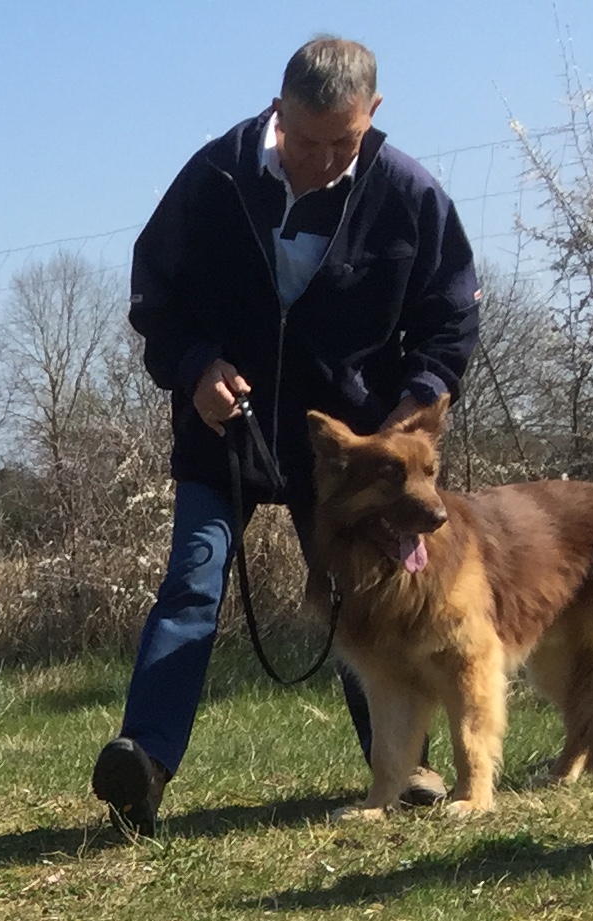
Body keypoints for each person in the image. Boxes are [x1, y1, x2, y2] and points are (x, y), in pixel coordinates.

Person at [92, 35, 479, 838]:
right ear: (278, 108)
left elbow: (450, 322)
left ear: (374, 115)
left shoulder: (410, 195)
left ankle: (405, 766)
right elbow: (153, 300)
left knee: (366, 596)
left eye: (343, 141)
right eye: (305, 139)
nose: (321, 157)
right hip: (220, 438)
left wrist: (410, 408)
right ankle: (144, 762)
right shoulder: (215, 177)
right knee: (192, 589)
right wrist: (195, 366)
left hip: (346, 455)